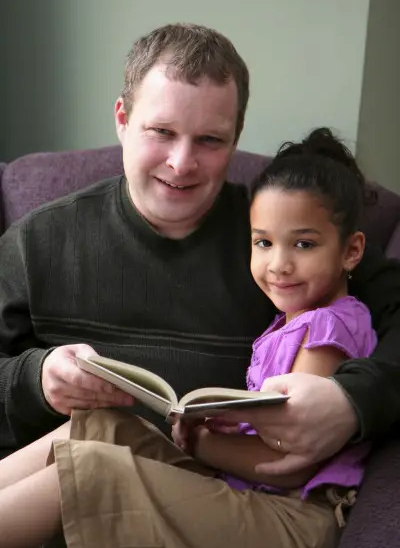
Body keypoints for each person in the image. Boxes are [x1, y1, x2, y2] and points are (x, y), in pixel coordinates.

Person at [0, 24, 399, 474]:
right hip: (48, 490)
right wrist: (34, 381)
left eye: (210, 140)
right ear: (122, 120)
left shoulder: (283, 245)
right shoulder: (36, 242)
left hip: (212, 502)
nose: (182, 163)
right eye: (161, 131)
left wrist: (353, 401)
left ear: (236, 136)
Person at [0, 128, 378, 547]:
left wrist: (200, 442)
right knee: (100, 424)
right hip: (247, 493)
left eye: (303, 244)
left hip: (292, 517)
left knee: (94, 473)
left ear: (352, 251)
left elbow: (291, 465)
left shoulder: (326, 329)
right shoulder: (290, 322)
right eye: (264, 243)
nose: (279, 264)